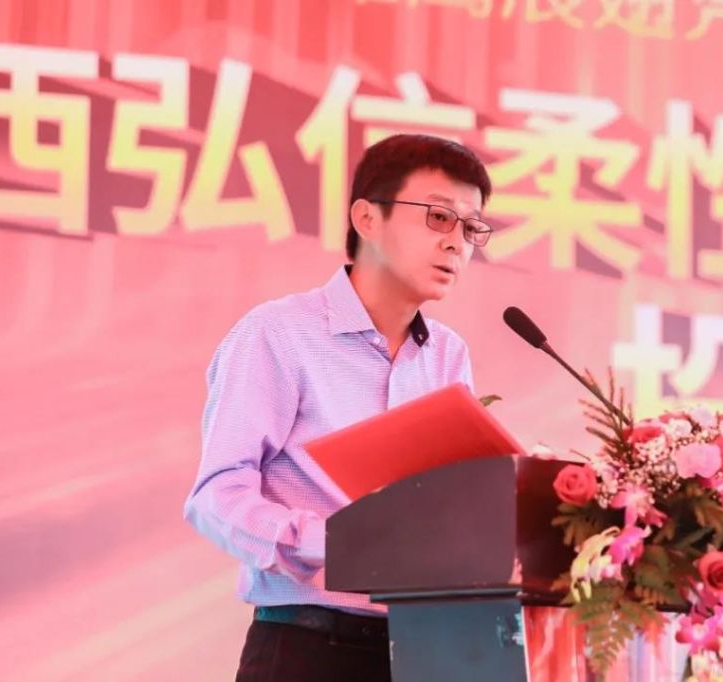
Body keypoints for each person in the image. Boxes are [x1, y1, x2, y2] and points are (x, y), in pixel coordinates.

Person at [183, 133, 494, 681]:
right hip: (309, 646)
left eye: (471, 228)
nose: (457, 244)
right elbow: (216, 496)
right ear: (367, 218)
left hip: (423, 653)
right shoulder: (279, 334)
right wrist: (330, 543)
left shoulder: (448, 355)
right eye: (440, 218)